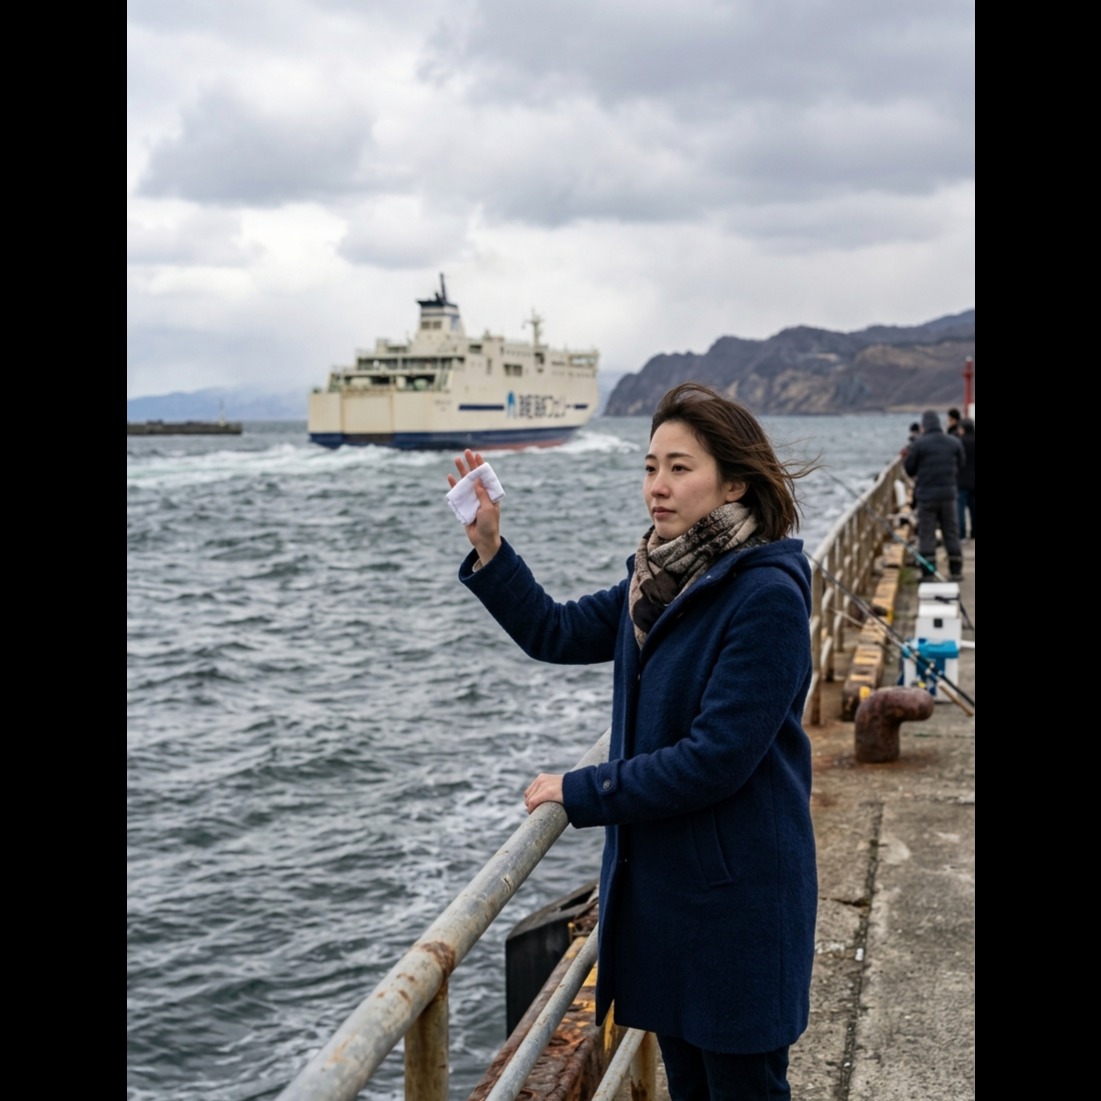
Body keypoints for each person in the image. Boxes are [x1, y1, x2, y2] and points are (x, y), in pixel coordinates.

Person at [448, 382, 819, 1100]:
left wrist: (579, 789)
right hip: (671, 902)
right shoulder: (654, 580)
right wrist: (490, 544)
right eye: (650, 467)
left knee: (744, 1086)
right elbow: (554, 630)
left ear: (734, 482)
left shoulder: (765, 595)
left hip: (739, 906)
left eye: (680, 468)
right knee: (690, 1087)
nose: (657, 486)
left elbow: (715, 759)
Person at [903, 409, 965, 580]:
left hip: (926, 496)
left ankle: (928, 572)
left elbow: (909, 468)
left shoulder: (919, 444)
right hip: (948, 495)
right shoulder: (953, 442)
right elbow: (961, 463)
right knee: (951, 532)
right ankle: (956, 570)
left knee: (927, 534)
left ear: (924, 426)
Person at [956, 417, 975, 539]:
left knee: (960, 510)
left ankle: (961, 534)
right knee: (974, 509)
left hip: (961, 480)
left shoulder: (959, 442)